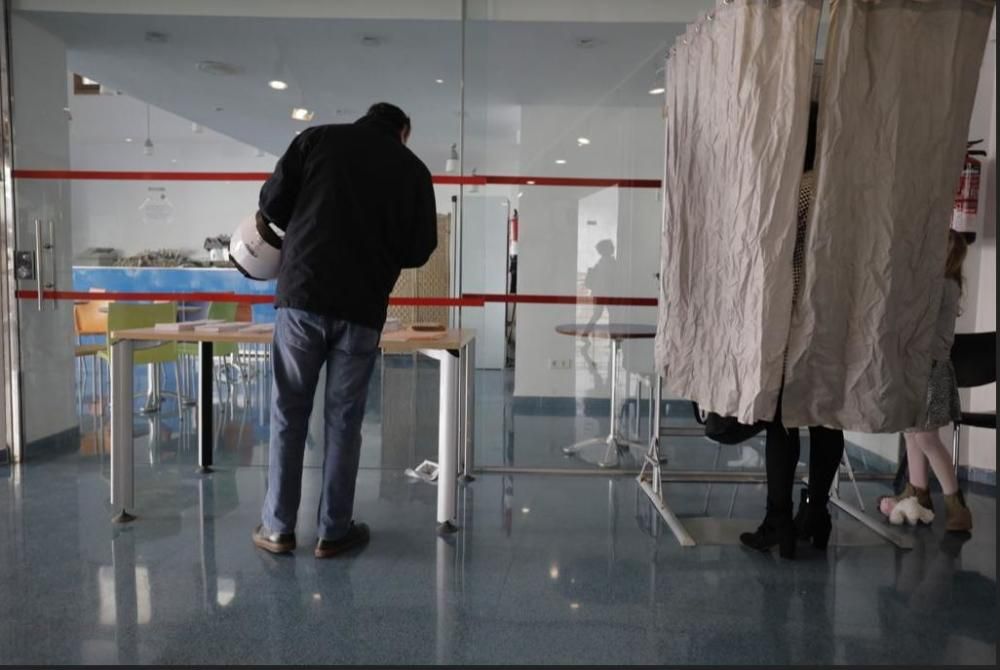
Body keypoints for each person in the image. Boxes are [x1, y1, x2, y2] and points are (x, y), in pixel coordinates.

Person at [252, 102, 437, 557]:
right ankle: (333, 531)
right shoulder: (413, 169)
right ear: (404, 132)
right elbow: (420, 249)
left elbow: (272, 205)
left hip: (303, 298)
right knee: (344, 420)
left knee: (289, 412)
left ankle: (278, 528)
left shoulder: (318, 139)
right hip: (361, 309)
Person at [740, 102, 846, 560]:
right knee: (826, 419)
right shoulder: (848, 190)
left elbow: (780, 255)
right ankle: (817, 514)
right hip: (838, 317)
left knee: (783, 421)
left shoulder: (800, 189)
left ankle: (777, 521)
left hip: (797, 313)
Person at [877, 230, 972, 533]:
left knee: (927, 438)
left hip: (929, 370)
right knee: (912, 434)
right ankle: (917, 492)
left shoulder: (943, 285)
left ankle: (956, 503)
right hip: (919, 368)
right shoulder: (941, 284)